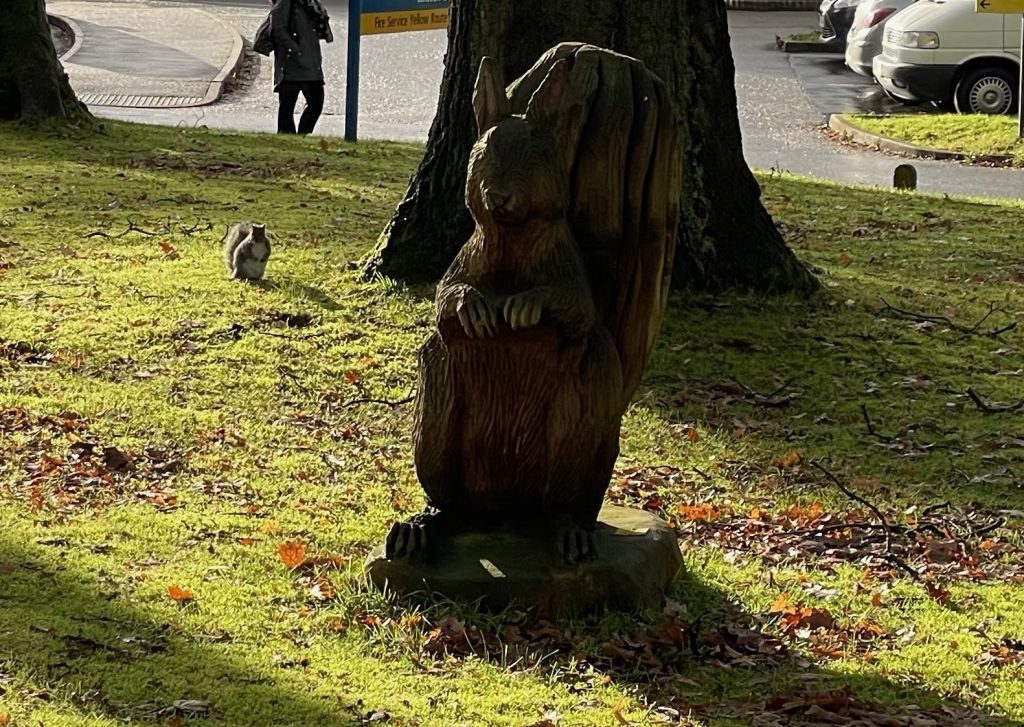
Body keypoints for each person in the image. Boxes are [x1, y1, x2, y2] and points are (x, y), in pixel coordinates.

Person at [270, 0, 333, 135]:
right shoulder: (286, 3)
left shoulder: (310, 3)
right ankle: (287, 138)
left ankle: (303, 134)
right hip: (291, 63)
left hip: (310, 61)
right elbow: (277, 29)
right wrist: (294, 50)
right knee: (287, 105)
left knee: (316, 102)